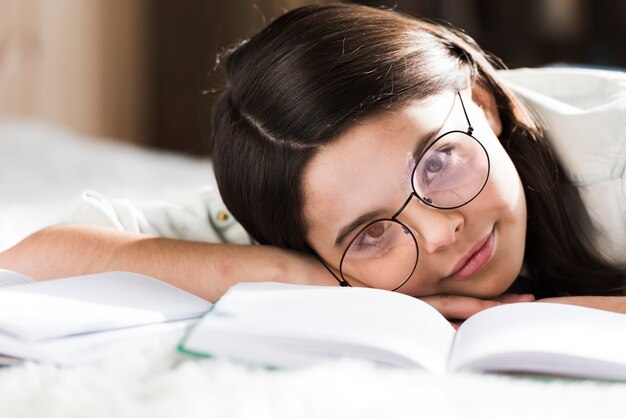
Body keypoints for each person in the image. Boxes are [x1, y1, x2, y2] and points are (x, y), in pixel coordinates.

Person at [1, 3, 625, 323]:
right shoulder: (304, 213)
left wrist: (527, 321)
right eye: (373, 233)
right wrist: (297, 277)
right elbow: (35, 259)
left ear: (483, 106)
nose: (438, 234)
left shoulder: (612, 159)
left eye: (438, 164)